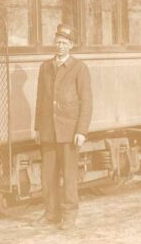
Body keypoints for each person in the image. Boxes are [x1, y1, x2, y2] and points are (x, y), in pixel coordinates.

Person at [32, 23, 92, 230]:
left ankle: (69, 216)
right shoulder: (45, 67)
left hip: (69, 131)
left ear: (71, 46)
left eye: (64, 43)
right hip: (48, 130)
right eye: (58, 42)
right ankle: (50, 213)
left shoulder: (79, 68)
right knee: (48, 175)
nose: (60, 46)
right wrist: (38, 128)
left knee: (68, 176)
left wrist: (81, 131)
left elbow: (87, 101)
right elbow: (40, 99)